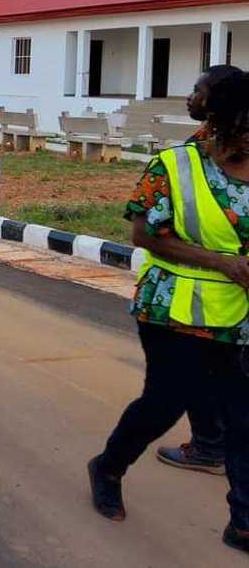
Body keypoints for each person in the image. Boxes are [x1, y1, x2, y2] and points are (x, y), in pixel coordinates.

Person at [89, 71, 249, 556]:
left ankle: (243, 522)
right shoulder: (175, 164)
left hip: (239, 316)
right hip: (174, 309)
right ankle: (108, 467)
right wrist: (224, 263)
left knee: (243, 419)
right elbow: (144, 235)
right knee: (163, 404)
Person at [154, 64, 242, 474]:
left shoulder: (208, 150)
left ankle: (209, 446)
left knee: (201, 371)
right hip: (225, 284)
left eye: (198, 90)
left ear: (217, 102)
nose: (190, 97)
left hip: (209, 288)